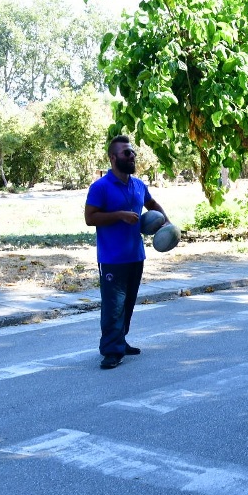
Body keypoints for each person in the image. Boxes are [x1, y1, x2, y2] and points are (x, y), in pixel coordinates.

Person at [84, 135, 169, 370]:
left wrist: (167, 223)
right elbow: (90, 218)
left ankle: (120, 340)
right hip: (112, 258)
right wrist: (120, 215)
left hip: (136, 255)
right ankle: (111, 351)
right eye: (126, 153)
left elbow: (152, 205)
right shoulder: (100, 187)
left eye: (133, 152)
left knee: (128, 303)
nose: (131, 156)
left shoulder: (139, 185)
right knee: (113, 305)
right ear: (113, 157)